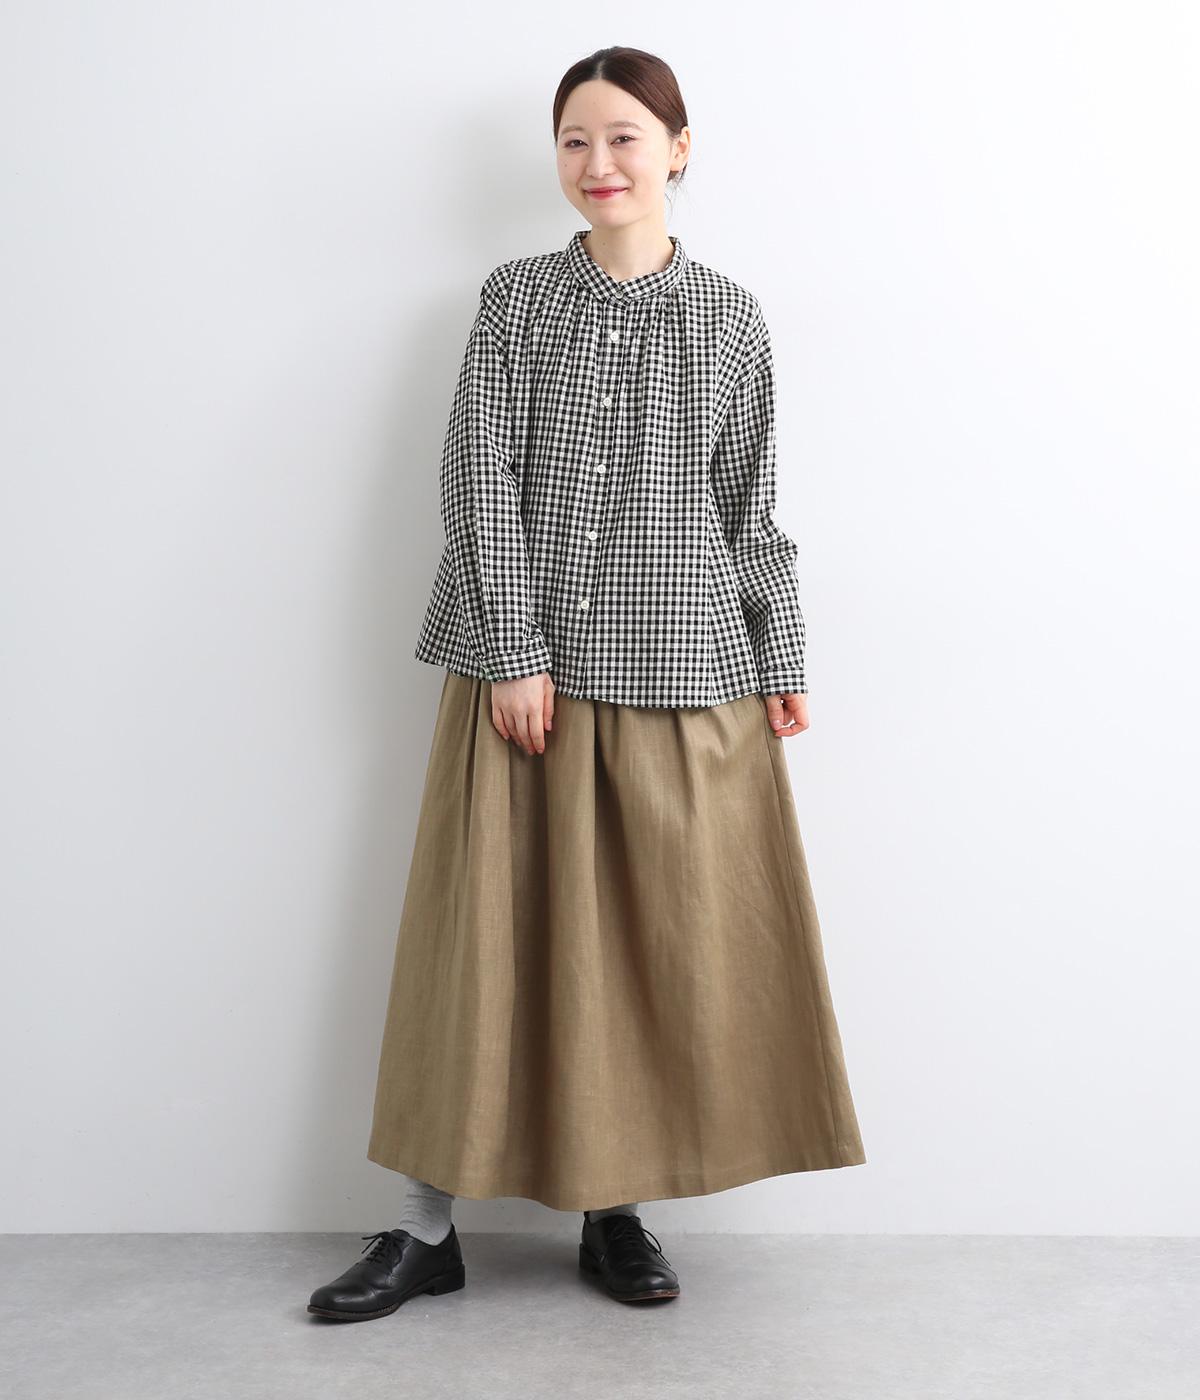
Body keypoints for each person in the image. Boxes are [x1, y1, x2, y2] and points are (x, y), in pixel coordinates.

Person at [308, 45, 866, 1321]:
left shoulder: (732, 317)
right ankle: (423, 1228)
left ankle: (615, 1212)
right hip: (528, 685)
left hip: (686, 674)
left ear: (679, 148)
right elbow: (478, 475)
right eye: (574, 140)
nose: (597, 163)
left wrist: (778, 653)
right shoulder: (516, 299)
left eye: (623, 137)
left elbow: (749, 508)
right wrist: (513, 648)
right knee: (479, 944)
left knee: (655, 951)